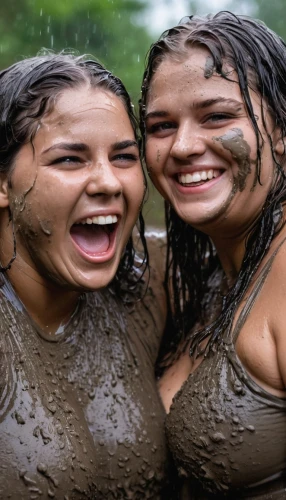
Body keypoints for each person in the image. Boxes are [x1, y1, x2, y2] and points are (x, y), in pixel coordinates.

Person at [0, 52, 175, 499]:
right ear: (4, 183)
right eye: (70, 160)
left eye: (123, 156)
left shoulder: (147, 283)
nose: (108, 182)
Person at [140, 12, 286, 499]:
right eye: (160, 126)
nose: (182, 146)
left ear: (282, 131)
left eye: (217, 116)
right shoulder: (206, 275)